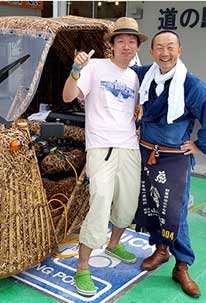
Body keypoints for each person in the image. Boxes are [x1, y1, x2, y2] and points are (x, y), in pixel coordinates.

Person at [130, 30, 206, 298]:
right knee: (151, 206)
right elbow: (119, 71)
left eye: (170, 47)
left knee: (176, 212)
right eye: (159, 47)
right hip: (147, 154)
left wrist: (199, 145)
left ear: (180, 51)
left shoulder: (191, 84)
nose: (164, 52)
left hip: (174, 158)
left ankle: (182, 265)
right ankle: (160, 250)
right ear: (152, 52)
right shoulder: (144, 75)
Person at [61, 17, 146, 297]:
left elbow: (137, 110)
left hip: (129, 148)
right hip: (101, 147)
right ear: (111, 45)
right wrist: (76, 69)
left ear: (136, 46)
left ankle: (114, 243)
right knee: (99, 203)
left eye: (131, 41)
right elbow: (67, 96)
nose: (126, 45)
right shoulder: (94, 67)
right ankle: (82, 267)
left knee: (127, 203)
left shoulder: (136, 76)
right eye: (120, 40)